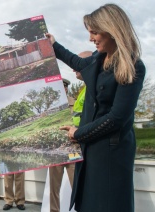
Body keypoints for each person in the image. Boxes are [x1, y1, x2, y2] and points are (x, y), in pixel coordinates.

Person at [47, 3, 146, 212]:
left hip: (111, 154)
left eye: (94, 32)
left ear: (111, 31)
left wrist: (79, 133)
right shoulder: (97, 59)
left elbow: (117, 117)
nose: (91, 38)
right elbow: (74, 60)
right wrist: (53, 45)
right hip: (91, 150)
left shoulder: (133, 66)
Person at [47, 53, 91, 212]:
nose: (62, 89)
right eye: (60, 86)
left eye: (64, 86)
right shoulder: (50, 108)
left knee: (77, 185)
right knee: (54, 187)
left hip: (73, 149)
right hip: (56, 151)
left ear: (66, 88)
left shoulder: (76, 102)